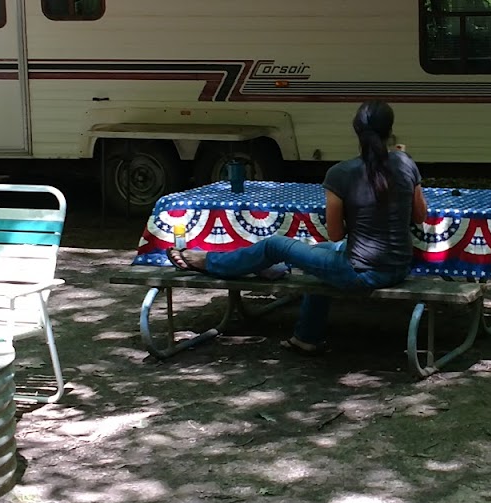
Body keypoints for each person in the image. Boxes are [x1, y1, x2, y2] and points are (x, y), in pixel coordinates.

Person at [167, 100, 427, 354]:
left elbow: (337, 233)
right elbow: (419, 216)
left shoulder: (341, 173)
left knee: (275, 244)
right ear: (390, 131)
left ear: (356, 131)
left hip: (361, 273)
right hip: (399, 266)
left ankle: (209, 262)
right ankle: (304, 333)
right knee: (321, 252)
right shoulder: (405, 163)